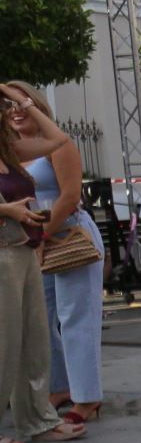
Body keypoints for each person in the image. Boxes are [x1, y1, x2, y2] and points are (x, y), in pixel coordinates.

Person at [8, 86, 102, 424]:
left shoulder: (57, 145)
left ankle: (87, 398)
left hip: (68, 235)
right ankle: (61, 386)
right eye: (8, 106)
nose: (15, 111)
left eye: (22, 104)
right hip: (30, 241)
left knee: (76, 317)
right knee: (39, 320)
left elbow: (70, 195)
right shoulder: (11, 150)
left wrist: (44, 235)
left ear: (37, 105)